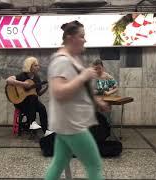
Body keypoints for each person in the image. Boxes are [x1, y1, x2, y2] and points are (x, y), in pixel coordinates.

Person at [45, 20, 110, 180]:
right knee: (94, 165)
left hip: (67, 123)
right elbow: (58, 92)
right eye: (82, 36)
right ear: (70, 38)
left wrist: (96, 102)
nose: (85, 40)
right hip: (73, 125)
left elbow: (78, 90)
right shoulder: (62, 61)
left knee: (59, 163)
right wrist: (83, 76)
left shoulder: (71, 59)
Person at [6, 56, 52, 136]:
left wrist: (47, 88)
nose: (38, 67)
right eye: (36, 65)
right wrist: (23, 84)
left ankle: (45, 130)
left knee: (42, 107)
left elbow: (38, 93)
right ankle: (32, 123)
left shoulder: (37, 78)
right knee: (32, 98)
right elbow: (8, 80)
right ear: (29, 66)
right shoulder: (22, 76)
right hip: (21, 102)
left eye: (37, 65)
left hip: (32, 102)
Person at [92, 59, 118, 124]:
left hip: (106, 101)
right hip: (95, 102)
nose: (97, 70)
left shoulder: (107, 76)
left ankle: (107, 133)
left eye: (99, 68)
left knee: (105, 120)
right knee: (95, 121)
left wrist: (109, 92)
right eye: (95, 69)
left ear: (103, 68)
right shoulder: (92, 77)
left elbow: (116, 88)